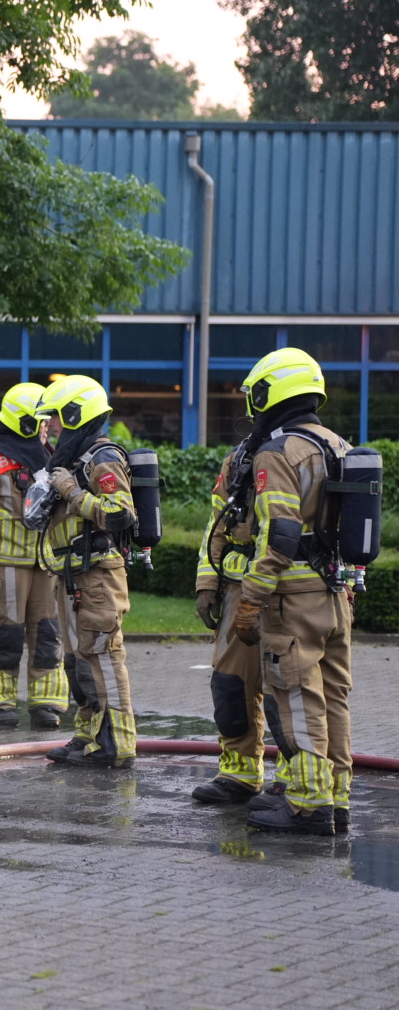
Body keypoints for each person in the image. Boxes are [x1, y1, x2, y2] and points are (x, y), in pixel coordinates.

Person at [223, 349, 355, 836]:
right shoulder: (337, 445)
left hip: (291, 598)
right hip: (334, 594)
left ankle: (307, 804)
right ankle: (336, 800)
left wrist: (253, 595)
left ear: (270, 392)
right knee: (334, 698)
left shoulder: (276, 452)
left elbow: (280, 532)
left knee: (297, 697)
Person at [35, 375, 139, 769]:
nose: (51, 427)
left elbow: (119, 514)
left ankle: (119, 744)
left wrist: (72, 493)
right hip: (73, 573)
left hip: (97, 574)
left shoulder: (102, 457)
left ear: (76, 414)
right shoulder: (72, 460)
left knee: (104, 656)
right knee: (79, 660)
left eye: (57, 418)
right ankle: (89, 735)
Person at [0, 382, 66, 728]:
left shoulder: (52, 458)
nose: (48, 425)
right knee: (7, 635)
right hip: (5, 564)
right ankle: (1, 705)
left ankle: (46, 705)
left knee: (48, 635)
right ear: (25, 422)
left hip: (45, 564)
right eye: (42, 419)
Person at [190, 441, 269, 805]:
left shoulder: (312, 453)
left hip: (297, 592)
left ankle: (295, 783)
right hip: (239, 590)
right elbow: (216, 523)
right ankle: (239, 773)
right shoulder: (239, 459)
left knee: (292, 690)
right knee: (229, 685)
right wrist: (207, 584)